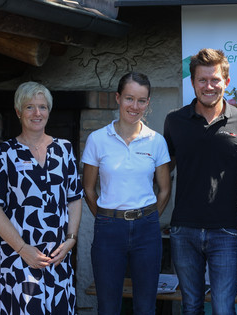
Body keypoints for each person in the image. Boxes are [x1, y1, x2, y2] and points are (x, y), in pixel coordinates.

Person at [163, 48, 237, 315]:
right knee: (191, 307)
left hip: (225, 229)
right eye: (202, 80)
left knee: (224, 309)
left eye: (215, 79)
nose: (209, 86)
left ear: (226, 82)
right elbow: (163, 170)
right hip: (184, 229)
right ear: (192, 83)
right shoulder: (174, 121)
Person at [0, 81, 83, 314]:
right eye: (30, 107)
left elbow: (75, 198)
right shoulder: (4, 153)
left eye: (43, 107)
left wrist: (71, 239)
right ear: (18, 112)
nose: (37, 113)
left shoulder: (64, 149)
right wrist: (22, 249)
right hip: (20, 259)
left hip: (58, 258)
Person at [82, 72, 171, 315]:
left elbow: (164, 190)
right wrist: (105, 216)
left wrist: (150, 217)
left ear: (148, 103)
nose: (135, 106)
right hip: (109, 228)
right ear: (118, 98)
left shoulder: (156, 141)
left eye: (142, 100)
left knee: (146, 306)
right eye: (130, 98)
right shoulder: (97, 139)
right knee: (108, 306)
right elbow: (88, 189)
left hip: (147, 230)